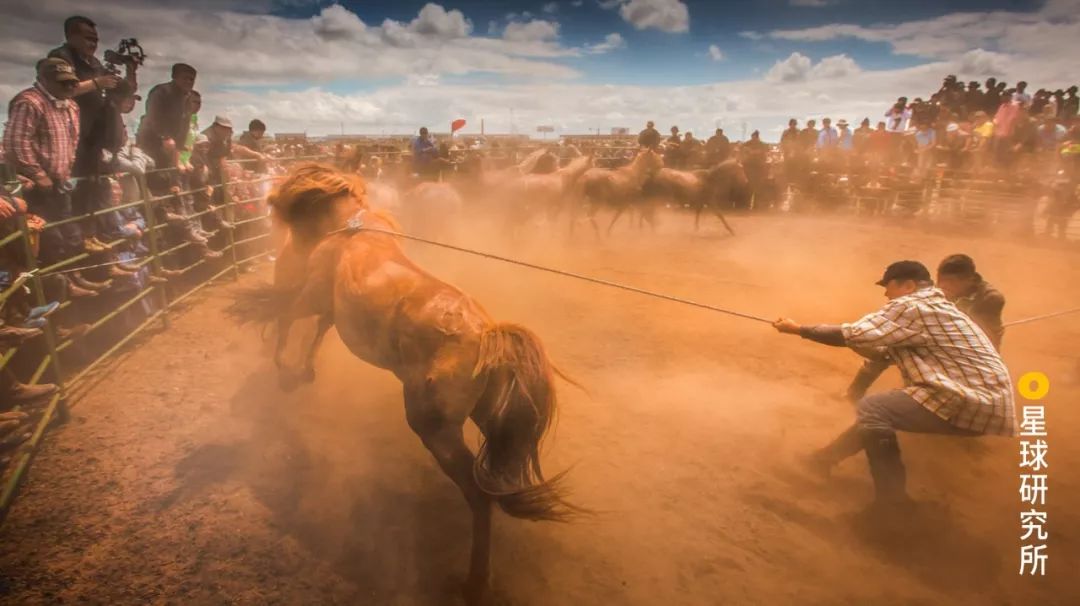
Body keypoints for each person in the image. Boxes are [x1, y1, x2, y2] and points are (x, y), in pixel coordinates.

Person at [773, 260, 1015, 508]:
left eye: (889, 287)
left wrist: (798, 329)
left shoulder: (913, 305)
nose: (886, 294)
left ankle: (892, 504)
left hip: (971, 396)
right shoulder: (938, 307)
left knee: (875, 408)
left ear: (909, 285)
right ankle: (823, 461)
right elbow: (880, 352)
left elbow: (852, 334)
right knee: (879, 410)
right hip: (989, 401)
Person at [2, 59, 86, 274]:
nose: (68, 88)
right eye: (62, 83)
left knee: (71, 235)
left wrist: (65, 170)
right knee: (50, 238)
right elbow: (16, 142)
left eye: (71, 83)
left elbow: (72, 141)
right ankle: (60, 285)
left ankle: (74, 278)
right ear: (44, 79)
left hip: (60, 181)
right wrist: (38, 174)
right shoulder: (30, 102)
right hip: (36, 186)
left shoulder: (71, 106)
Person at [137, 63, 197, 179]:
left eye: (192, 79)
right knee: (156, 177)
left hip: (172, 147)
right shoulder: (160, 92)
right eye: (185, 78)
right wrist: (165, 136)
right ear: (174, 77)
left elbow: (184, 127)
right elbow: (153, 116)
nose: (189, 81)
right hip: (151, 141)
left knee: (175, 175)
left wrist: (178, 152)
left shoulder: (188, 98)